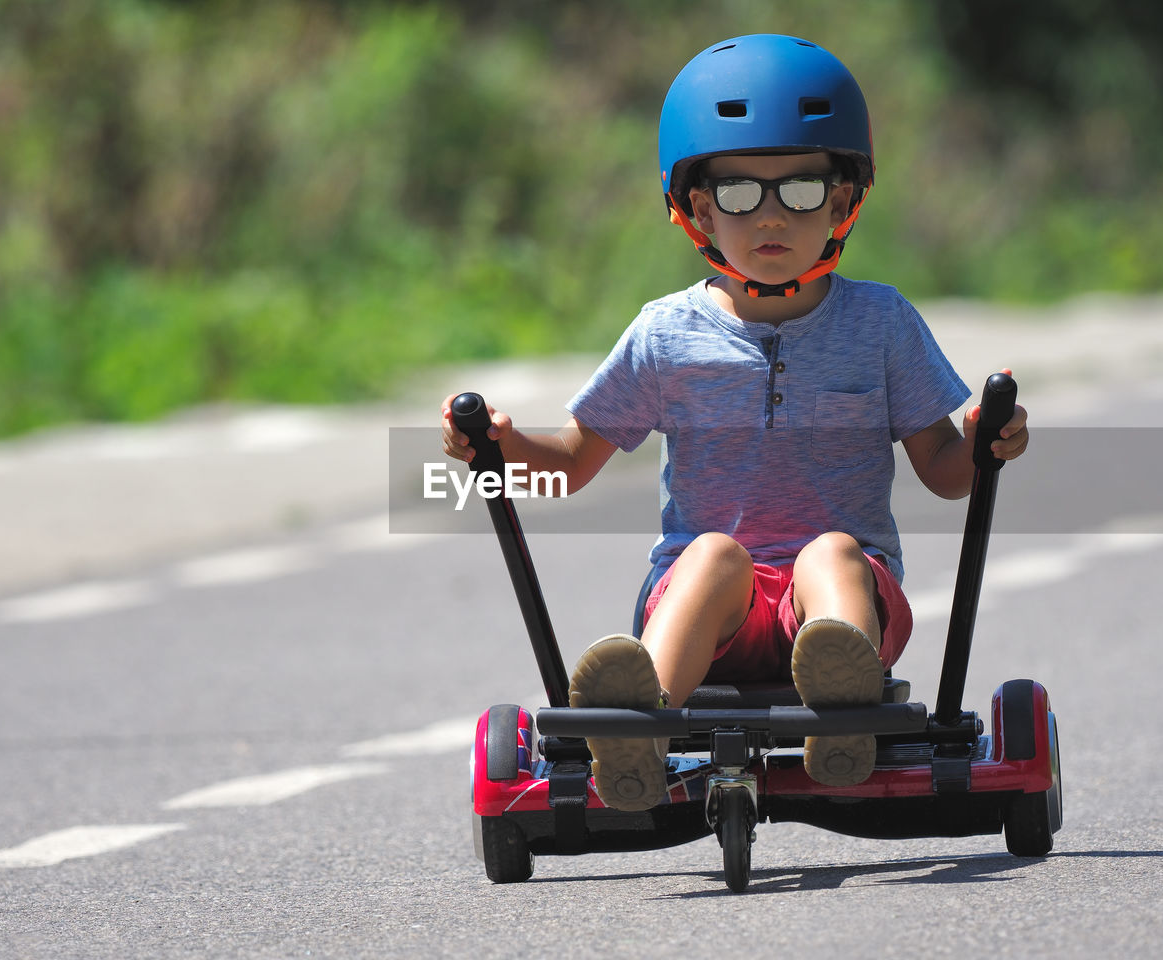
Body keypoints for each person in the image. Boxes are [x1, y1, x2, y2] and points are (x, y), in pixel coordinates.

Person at [441, 34, 1028, 809]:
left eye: (804, 191)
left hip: (845, 603)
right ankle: (638, 729)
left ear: (845, 202)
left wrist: (987, 441)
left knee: (833, 553)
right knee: (713, 554)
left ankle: (843, 715)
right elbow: (573, 462)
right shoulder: (665, 334)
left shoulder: (882, 323)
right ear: (697, 210)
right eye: (743, 194)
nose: (773, 216)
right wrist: (502, 445)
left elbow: (947, 474)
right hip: (711, 616)